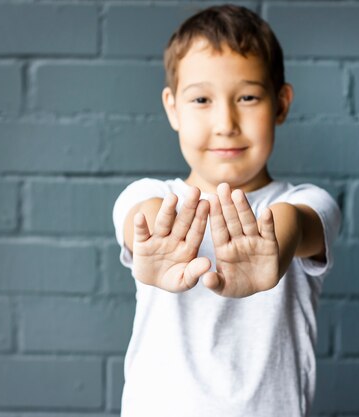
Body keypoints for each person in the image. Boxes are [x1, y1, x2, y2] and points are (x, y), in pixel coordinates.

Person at [111, 4, 341, 417]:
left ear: (281, 103)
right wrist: (152, 241)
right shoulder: (149, 197)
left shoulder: (308, 204)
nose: (225, 122)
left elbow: (294, 224)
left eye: (248, 97)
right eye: (201, 99)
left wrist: (277, 248)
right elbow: (137, 219)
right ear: (172, 108)